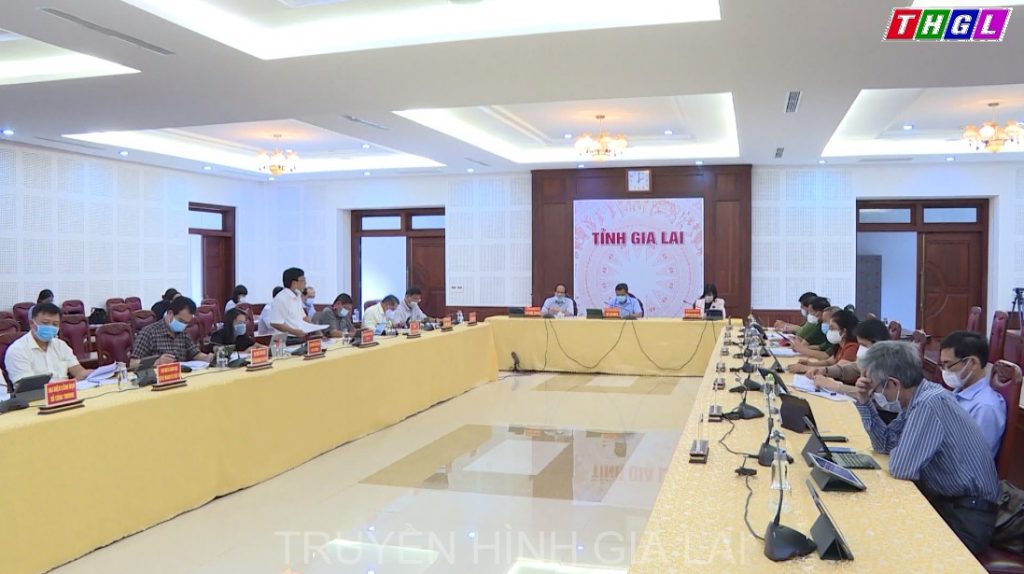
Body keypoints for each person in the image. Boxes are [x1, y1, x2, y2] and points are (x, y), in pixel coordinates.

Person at [853, 341, 999, 555]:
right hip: (950, 504)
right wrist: (865, 401)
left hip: (968, 518)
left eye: (875, 389)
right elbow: (884, 444)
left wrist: (904, 448)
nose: (875, 395)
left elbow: (902, 469)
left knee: (884, 546)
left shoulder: (929, 403)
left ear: (893, 383)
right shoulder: (921, 396)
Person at [939, 331, 1006, 458]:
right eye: (942, 365)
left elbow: (972, 459)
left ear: (973, 363)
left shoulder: (985, 407)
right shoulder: (957, 393)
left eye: (949, 364)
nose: (945, 371)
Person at [4, 303, 92, 385]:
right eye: (45, 323)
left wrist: (94, 374)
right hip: (37, 396)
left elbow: (79, 372)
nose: (50, 327)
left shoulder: (61, 345)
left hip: (65, 393)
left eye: (55, 324)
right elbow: (28, 388)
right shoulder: (17, 350)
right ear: (32, 323)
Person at [807, 317, 890, 393]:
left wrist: (835, 386)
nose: (860, 348)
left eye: (864, 345)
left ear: (878, 344)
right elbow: (853, 368)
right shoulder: (871, 360)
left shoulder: (888, 366)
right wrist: (825, 370)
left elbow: (872, 396)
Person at [131, 296, 212, 368]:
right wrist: (156, 362)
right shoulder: (148, 333)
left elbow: (195, 354)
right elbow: (133, 363)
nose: (183, 325)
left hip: (182, 375)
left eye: (186, 323)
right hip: (158, 377)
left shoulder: (183, 332)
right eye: (181, 321)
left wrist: (207, 358)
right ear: (170, 313)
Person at [787, 309, 859, 374]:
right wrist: (811, 364)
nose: (829, 330)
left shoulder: (852, 347)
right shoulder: (840, 345)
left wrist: (806, 368)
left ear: (843, 331)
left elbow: (837, 370)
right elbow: (829, 362)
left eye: (832, 328)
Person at [268, 268, 313, 338]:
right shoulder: (280, 298)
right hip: (283, 339)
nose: (305, 283)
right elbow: (275, 323)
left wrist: (315, 328)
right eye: (303, 280)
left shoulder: (297, 296)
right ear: (294, 283)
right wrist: (294, 332)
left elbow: (303, 317)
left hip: (297, 337)